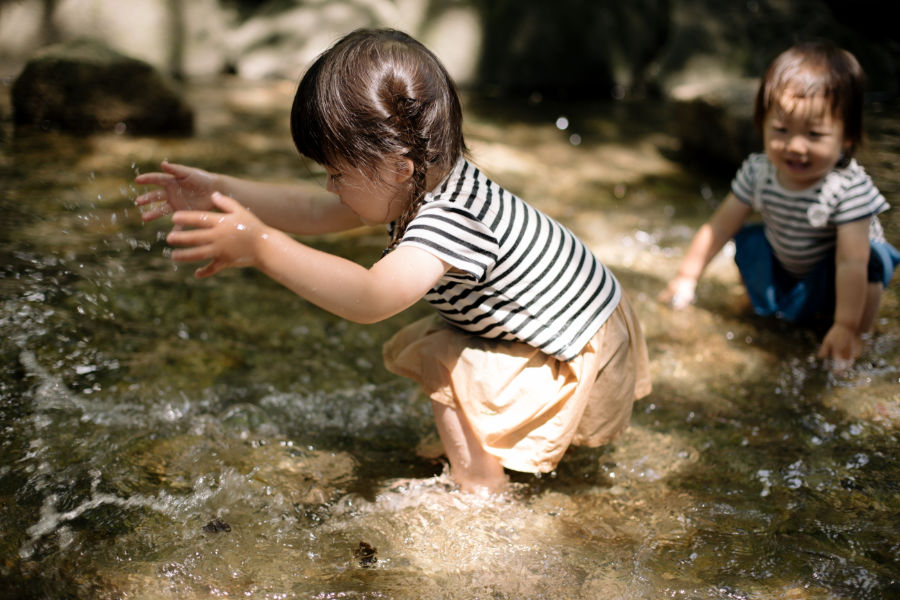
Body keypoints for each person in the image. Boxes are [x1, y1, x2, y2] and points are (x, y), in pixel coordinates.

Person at [135, 28, 651, 494]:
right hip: (567, 322)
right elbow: (313, 210)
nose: (329, 187)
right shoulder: (418, 182)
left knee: (448, 360)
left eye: (336, 174)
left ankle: (481, 490)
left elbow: (371, 298)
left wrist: (262, 247)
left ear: (399, 166)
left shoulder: (453, 218)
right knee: (449, 345)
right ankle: (486, 461)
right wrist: (223, 191)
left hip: (578, 344)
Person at [659, 40, 899, 369]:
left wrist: (845, 324)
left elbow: (850, 263)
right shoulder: (759, 171)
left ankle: (857, 334)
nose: (795, 146)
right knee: (750, 240)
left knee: (872, 259)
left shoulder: (848, 188)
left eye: (814, 134)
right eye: (781, 129)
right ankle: (768, 304)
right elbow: (719, 226)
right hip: (788, 263)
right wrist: (686, 276)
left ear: (847, 137)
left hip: (836, 277)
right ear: (762, 124)